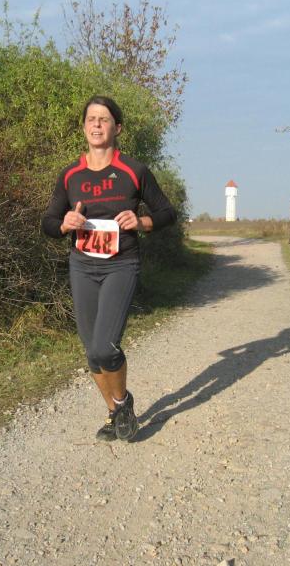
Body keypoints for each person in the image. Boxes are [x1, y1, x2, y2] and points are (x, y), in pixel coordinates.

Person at [41, 96, 177, 442]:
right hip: (82, 266)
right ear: (83, 127)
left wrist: (142, 221)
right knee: (92, 352)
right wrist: (64, 224)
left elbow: (167, 212)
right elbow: (48, 222)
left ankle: (122, 402)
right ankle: (117, 412)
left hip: (121, 264)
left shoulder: (134, 171)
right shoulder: (70, 174)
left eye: (104, 119)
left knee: (105, 347)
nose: (97, 125)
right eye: (91, 119)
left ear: (118, 128)